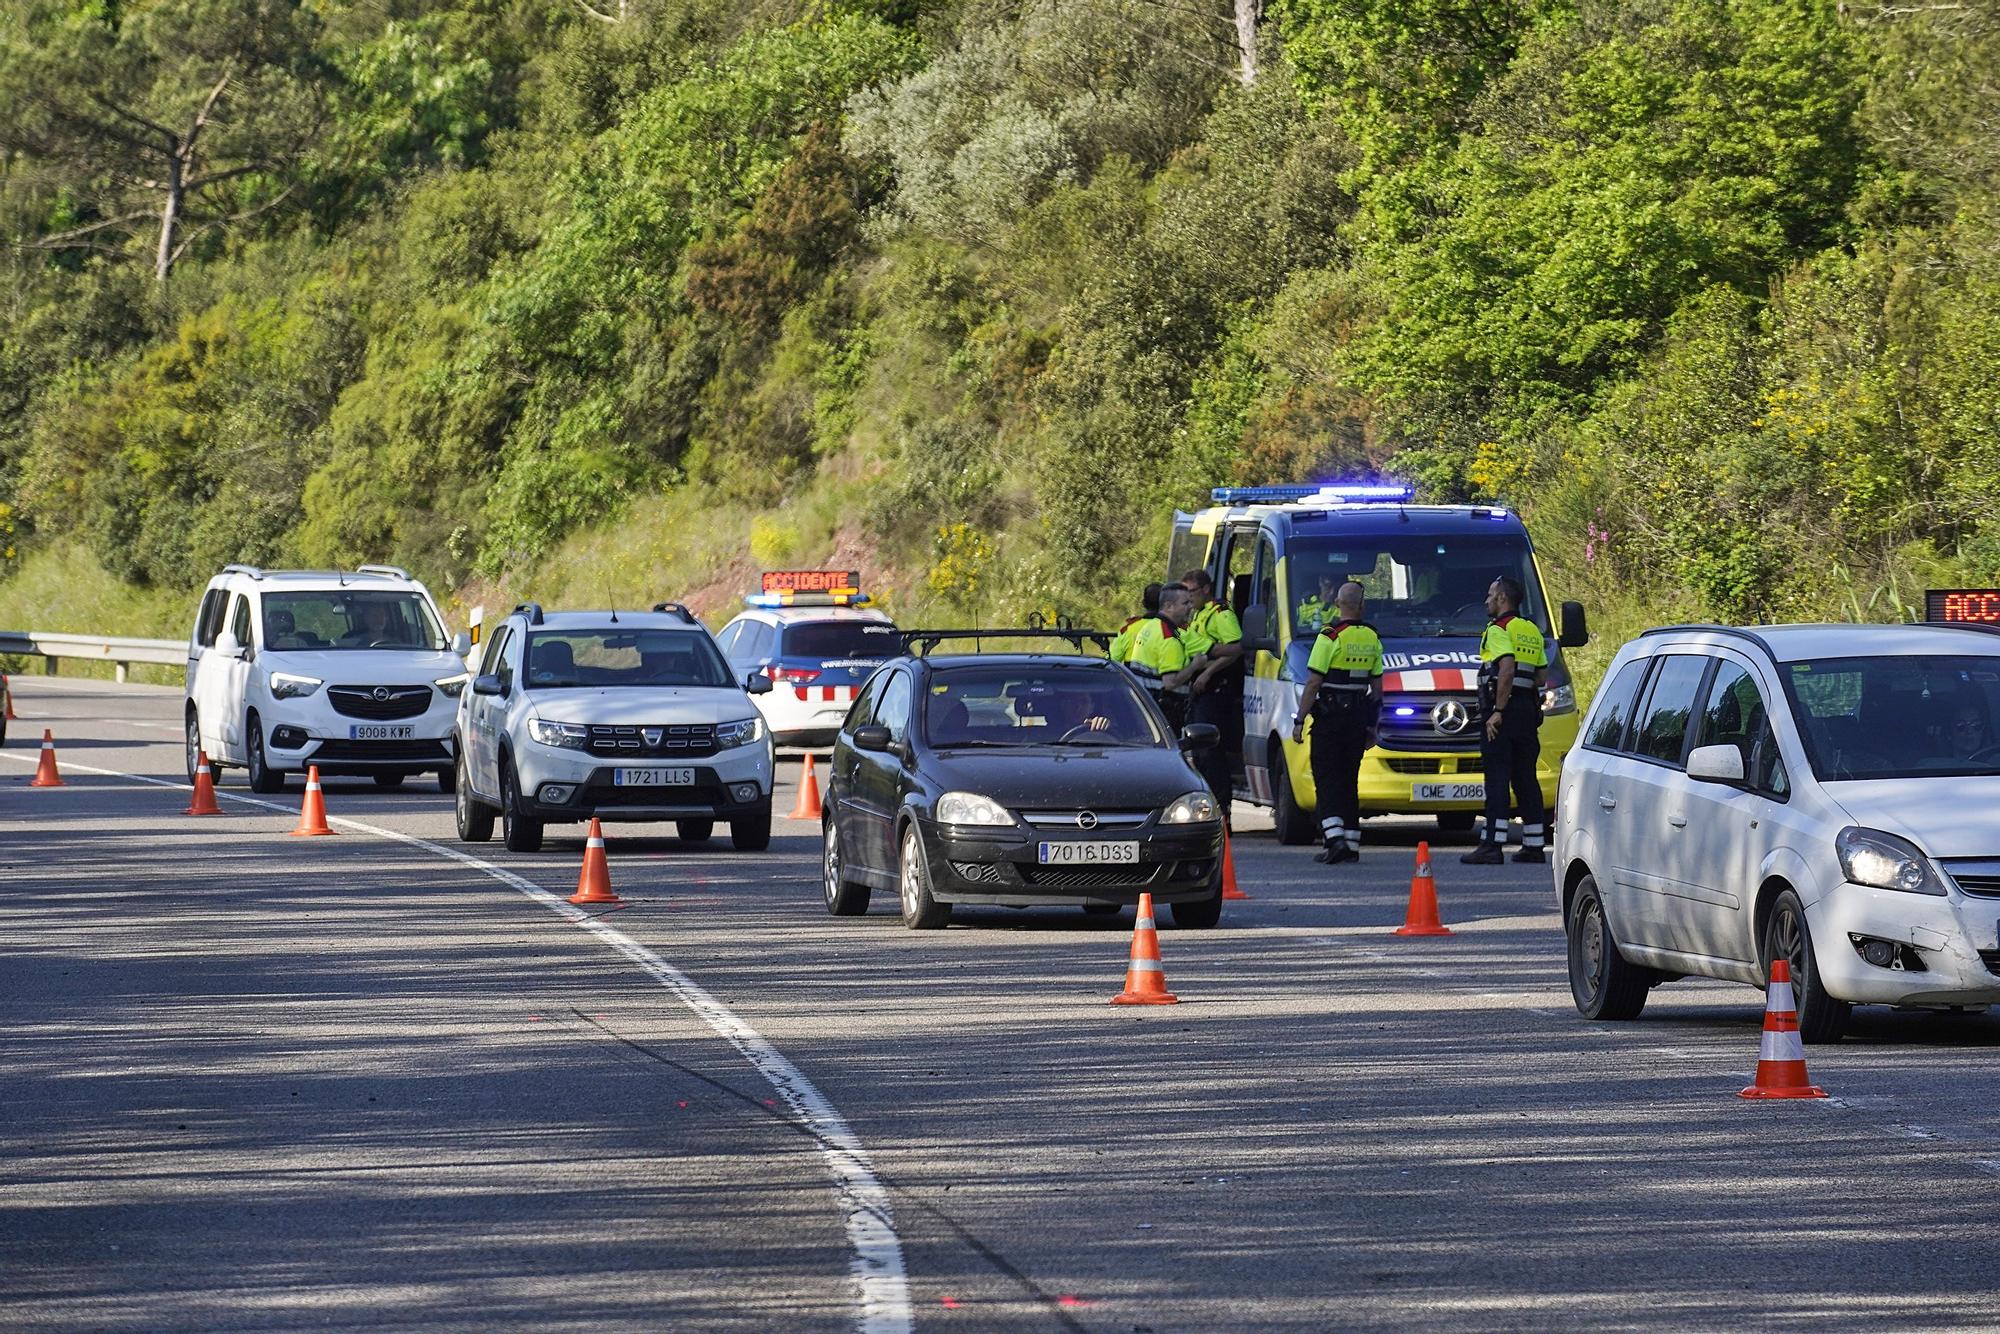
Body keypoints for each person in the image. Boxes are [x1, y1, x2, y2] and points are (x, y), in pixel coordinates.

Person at [1290, 581, 1383, 864]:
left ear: (1339, 604)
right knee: (1348, 780)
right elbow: (1377, 689)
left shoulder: (1329, 636)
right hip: (1357, 719)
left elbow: (1314, 681)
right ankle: (1352, 843)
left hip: (1330, 719)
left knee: (1327, 778)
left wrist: (1300, 719)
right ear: (1362, 606)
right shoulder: (1372, 638)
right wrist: (1371, 726)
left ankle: (1334, 839)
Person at [1462, 575, 1549, 865]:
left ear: (1502, 599)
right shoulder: (1531, 630)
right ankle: (1534, 845)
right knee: (1526, 777)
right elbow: (1540, 676)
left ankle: (1492, 844)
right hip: (1527, 710)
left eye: (1490, 595)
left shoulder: (1498, 629)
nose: (1486, 601)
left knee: (1497, 776)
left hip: (1503, 711)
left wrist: (1497, 710)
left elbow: (1507, 669)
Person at [1182, 568, 1245, 816]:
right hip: (1200, 688)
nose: (1189, 599)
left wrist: (1209, 671)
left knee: (1210, 751)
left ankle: (1223, 807)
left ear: (1206, 589)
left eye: (1191, 592)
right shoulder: (1197, 614)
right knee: (1198, 752)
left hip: (1216, 688)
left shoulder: (1220, 614)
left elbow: (1237, 648)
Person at [1129, 585, 1206, 733]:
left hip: (1144, 707)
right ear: (1169, 606)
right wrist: (1195, 665)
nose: (1191, 607)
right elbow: (1170, 683)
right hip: (1164, 713)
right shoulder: (1169, 638)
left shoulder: (1150, 626)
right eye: (1185, 603)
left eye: (1190, 602)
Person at [1108, 583, 1164, 664]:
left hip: (1132, 676)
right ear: (1166, 604)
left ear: (1143, 603)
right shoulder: (1172, 630)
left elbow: (1112, 660)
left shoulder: (1128, 629)